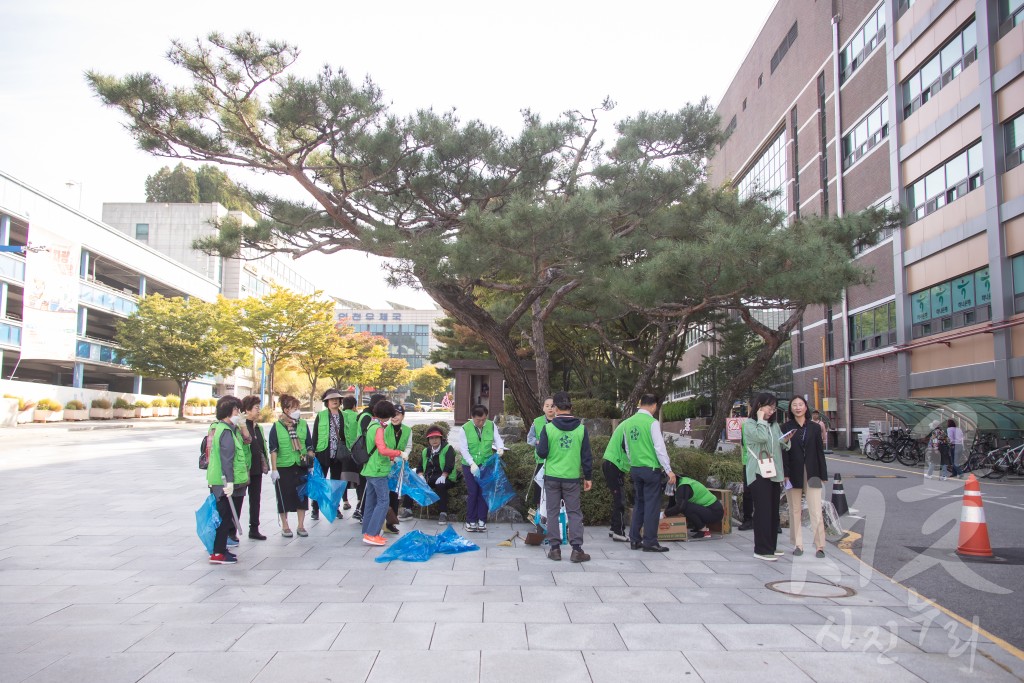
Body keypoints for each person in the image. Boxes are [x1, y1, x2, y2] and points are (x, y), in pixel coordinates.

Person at [536, 391, 593, 562]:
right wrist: (588, 477)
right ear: (571, 407)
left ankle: (555, 549)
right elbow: (586, 456)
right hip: (572, 478)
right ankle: (577, 550)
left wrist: (541, 444)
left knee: (552, 513)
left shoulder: (548, 428)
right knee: (574, 513)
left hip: (552, 477)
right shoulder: (582, 429)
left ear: (555, 408)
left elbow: (542, 453)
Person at [743, 392, 792, 561]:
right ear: (759, 406)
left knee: (772, 511)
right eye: (769, 407)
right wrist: (761, 420)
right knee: (763, 511)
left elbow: (779, 443)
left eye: (774, 407)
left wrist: (786, 440)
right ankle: (761, 549)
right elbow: (761, 438)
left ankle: (771, 545)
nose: (772, 410)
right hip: (758, 472)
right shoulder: (749, 424)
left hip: (773, 472)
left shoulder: (774, 425)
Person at [623, 394, 674, 553]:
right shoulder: (652, 423)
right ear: (653, 405)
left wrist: (633, 463)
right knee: (652, 506)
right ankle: (650, 541)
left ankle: (634, 539)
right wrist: (668, 469)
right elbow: (660, 448)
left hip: (636, 468)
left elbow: (628, 448)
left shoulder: (628, 423)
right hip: (650, 469)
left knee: (639, 504)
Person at [780, 396, 827, 558]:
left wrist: (823, 474)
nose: (798, 407)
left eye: (801, 405)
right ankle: (798, 544)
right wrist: (785, 474)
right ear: (791, 409)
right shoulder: (785, 427)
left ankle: (820, 545)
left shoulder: (814, 427)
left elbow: (820, 452)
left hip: (813, 472)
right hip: (793, 473)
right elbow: (783, 452)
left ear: (806, 407)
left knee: (815, 509)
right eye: (795, 405)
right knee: (795, 510)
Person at [451, 404, 505, 532]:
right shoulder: (465, 428)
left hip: (486, 463)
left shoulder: (491, 425)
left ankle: (482, 520)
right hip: (470, 465)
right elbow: (463, 449)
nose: (481, 422)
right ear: (472, 417)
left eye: (483, 419)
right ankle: (470, 520)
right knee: (473, 492)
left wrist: (500, 448)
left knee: (484, 492)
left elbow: (497, 439)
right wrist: (471, 463)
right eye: (478, 420)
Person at [207, 395, 248, 564]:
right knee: (224, 518)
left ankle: (221, 550)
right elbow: (227, 458)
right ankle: (218, 553)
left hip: (220, 480)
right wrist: (229, 482)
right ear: (229, 411)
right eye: (237, 410)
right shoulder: (225, 431)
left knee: (225, 517)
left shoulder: (227, 429)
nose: (238, 413)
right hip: (222, 482)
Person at [269, 394, 313, 538]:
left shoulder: (302, 424)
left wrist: (310, 463)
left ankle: (301, 525)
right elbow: (273, 449)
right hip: (284, 466)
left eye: (298, 408)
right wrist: (274, 469)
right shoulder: (276, 426)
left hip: (300, 464)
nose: (297, 411)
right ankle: (285, 525)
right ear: (286, 410)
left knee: (301, 496)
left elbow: (309, 445)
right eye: (294, 408)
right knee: (284, 496)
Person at [360, 400, 403, 546]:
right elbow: (382, 449)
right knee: (383, 502)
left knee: (371, 503)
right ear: (387, 415)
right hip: (378, 471)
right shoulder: (378, 428)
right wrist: (399, 453)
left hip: (369, 469)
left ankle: (367, 532)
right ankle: (372, 534)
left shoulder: (371, 424)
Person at [310, 388, 346, 521]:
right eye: (331, 399)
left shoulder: (344, 415)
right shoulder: (321, 415)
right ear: (327, 402)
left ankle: (335, 508)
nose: (335, 401)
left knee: (336, 483)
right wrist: (312, 451)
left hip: (339, 454)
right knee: (319, 481)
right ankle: (315, 508)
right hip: (323, 453)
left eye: (337, 399)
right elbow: (315, 434)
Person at [353, 393, 387, 521]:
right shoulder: (367, 417)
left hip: (367, 456)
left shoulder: (369, 416)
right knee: (365, 486)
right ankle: (361, 511)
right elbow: (367, 436)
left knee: (367, 486)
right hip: (366, 457)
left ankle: (362, 511)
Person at [240, 395, 269, 540]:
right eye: (256, 408)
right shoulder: (240, 427)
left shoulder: (258, 427)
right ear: (247, 410)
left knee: (255, 499)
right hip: (244, 469)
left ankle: (254, 528)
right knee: (238, 499)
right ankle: (232, 531)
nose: (259, 411)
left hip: (257, 469)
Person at [664, 474, 723, 539]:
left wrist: (665, 514)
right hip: (708, 510)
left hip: (715, 513)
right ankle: (698, 526)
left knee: (685, 507)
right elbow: (672, 504)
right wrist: (664, 516)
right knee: (683, 506)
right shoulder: (679, 483)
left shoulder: (683, 487)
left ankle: (703, 531)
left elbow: (680, 507)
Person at [420, 425, 457, 525]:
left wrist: (444, 475)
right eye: (431, 438)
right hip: (430, 477)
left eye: (436, 437)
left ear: (441, 438)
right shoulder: (426, 451)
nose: (434, 440)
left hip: (446, 477)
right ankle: (407, 509)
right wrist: (420, 476)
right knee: (414, 481)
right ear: (428, 440)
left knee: (440, 485)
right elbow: (420, 467)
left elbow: (450, 464)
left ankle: (443, 513)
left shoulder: (448, 448)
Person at [385, 404, 414, 531]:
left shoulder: (408, 430)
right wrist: (391, 458)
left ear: (403, 416)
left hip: (399, 466)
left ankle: (391, 522)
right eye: (392, 414)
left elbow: (408, 446)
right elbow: (383, 446)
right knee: (384, 494)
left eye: (397, 414)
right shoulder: (385, 429)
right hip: (386, 465)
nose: (394, 417)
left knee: (395, 494)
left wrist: (404, 455)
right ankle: (382, 520)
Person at [525, 396, 556, 514]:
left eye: (552, 406)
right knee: (539, 490)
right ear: (543, 408)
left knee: (553, 491)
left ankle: (553, 516)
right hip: (541, 461)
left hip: (556, 461)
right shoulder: (537, 422)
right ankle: (539, 516)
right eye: (547, 406)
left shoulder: (560, 421)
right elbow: (529, 438)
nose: (550, 408)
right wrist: (538, 442)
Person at [602, 419, 630, 542]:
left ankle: (614, 528)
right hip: (614, 465)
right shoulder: (630, 427)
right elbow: (629, 447)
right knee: (620, 499)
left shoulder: (626, 424)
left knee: (617, 497)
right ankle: (619, 532)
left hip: (612, 464)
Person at [338, 396, 361, 510]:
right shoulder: (357, 416)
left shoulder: (340, 415)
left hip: (342, 451)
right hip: (355, 451)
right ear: (354, 405)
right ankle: (359, 500)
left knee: (343, 476)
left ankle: (345, 501)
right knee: (358, 477)